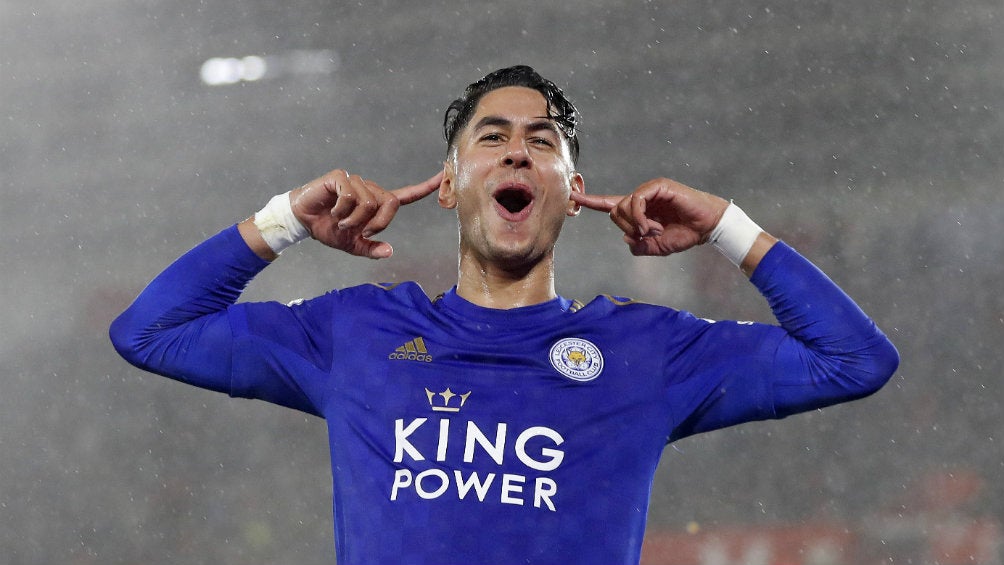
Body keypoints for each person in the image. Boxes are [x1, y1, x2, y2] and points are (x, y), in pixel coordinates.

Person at [110, 65, 899, 565]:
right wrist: (283, 216)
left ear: (574, 189)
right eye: (492, 137)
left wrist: (729, 226)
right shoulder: (355, 334)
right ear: (450, 184)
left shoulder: (641, 351)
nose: (518, 152)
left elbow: (855, 359)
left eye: (542, 141)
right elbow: (150, 331)